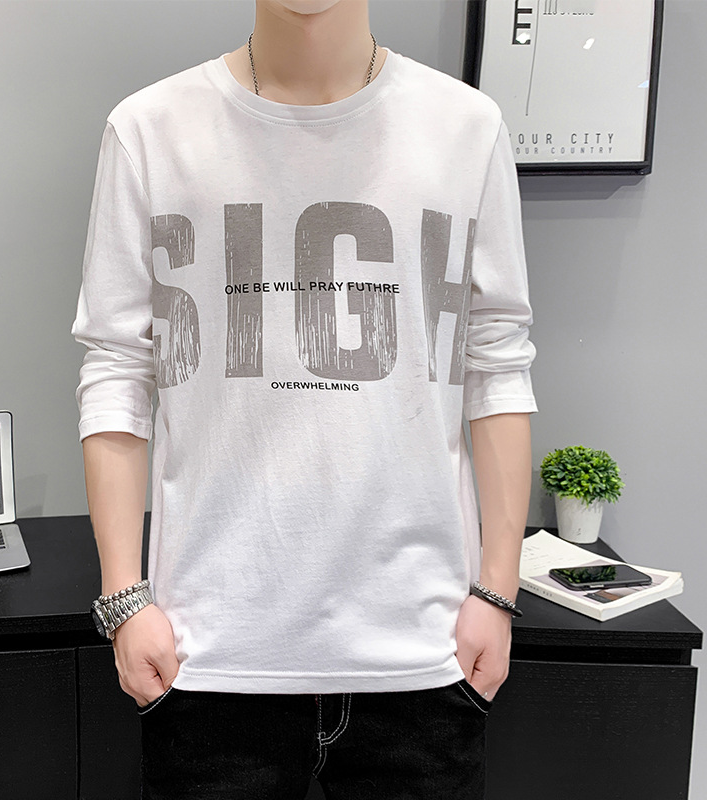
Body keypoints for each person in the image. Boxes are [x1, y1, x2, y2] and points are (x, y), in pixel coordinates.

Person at [72, 0, 537, 797]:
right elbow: (117, 368)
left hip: (422, 656)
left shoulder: (467, 128)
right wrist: (124, 598)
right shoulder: (149, 130)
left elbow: (496, 362)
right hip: (209, 654)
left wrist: (497, 590)